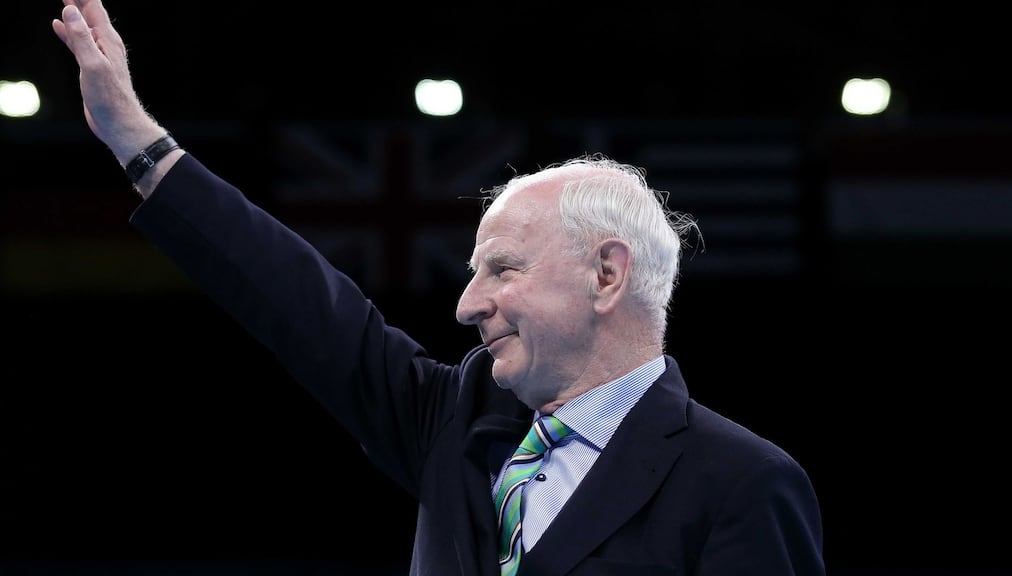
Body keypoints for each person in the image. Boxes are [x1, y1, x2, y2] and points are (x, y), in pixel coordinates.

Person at [51, 0, 826, 574]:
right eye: (472, 273)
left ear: (606, 274)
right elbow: (301, 303)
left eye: (503, 270)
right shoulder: (455, 421)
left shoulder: (742, 482)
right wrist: (141, 146)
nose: (466, 304)